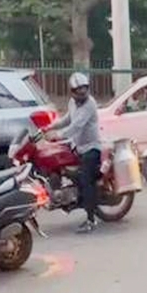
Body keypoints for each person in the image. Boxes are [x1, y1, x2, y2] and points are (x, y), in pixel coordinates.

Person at [44, 72, 102, 233]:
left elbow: (77, 126)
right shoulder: (72, 103)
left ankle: (91, 220)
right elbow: (68, 119)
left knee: (85, 180)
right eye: (79, 90)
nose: (82, 92)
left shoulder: (90, 104)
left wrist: (58, 135)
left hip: (92, 148)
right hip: (78, 146)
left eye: (84, 89)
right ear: (72, 92)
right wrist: (50, 127)